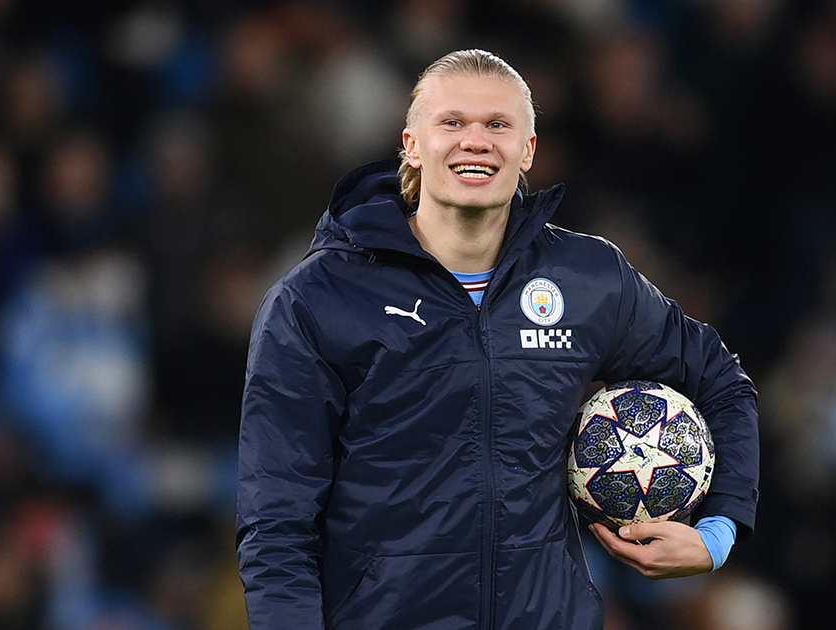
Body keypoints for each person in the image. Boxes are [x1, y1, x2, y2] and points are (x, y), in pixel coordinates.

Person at [236, 49, 759, 630]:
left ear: (528, 150)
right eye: (452, 122)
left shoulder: (588, 281)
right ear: (411, 144)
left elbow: (722, 381)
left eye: (498, 125)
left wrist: (717, 534)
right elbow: (277, 524)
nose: (476, 141)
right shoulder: (317, 299)